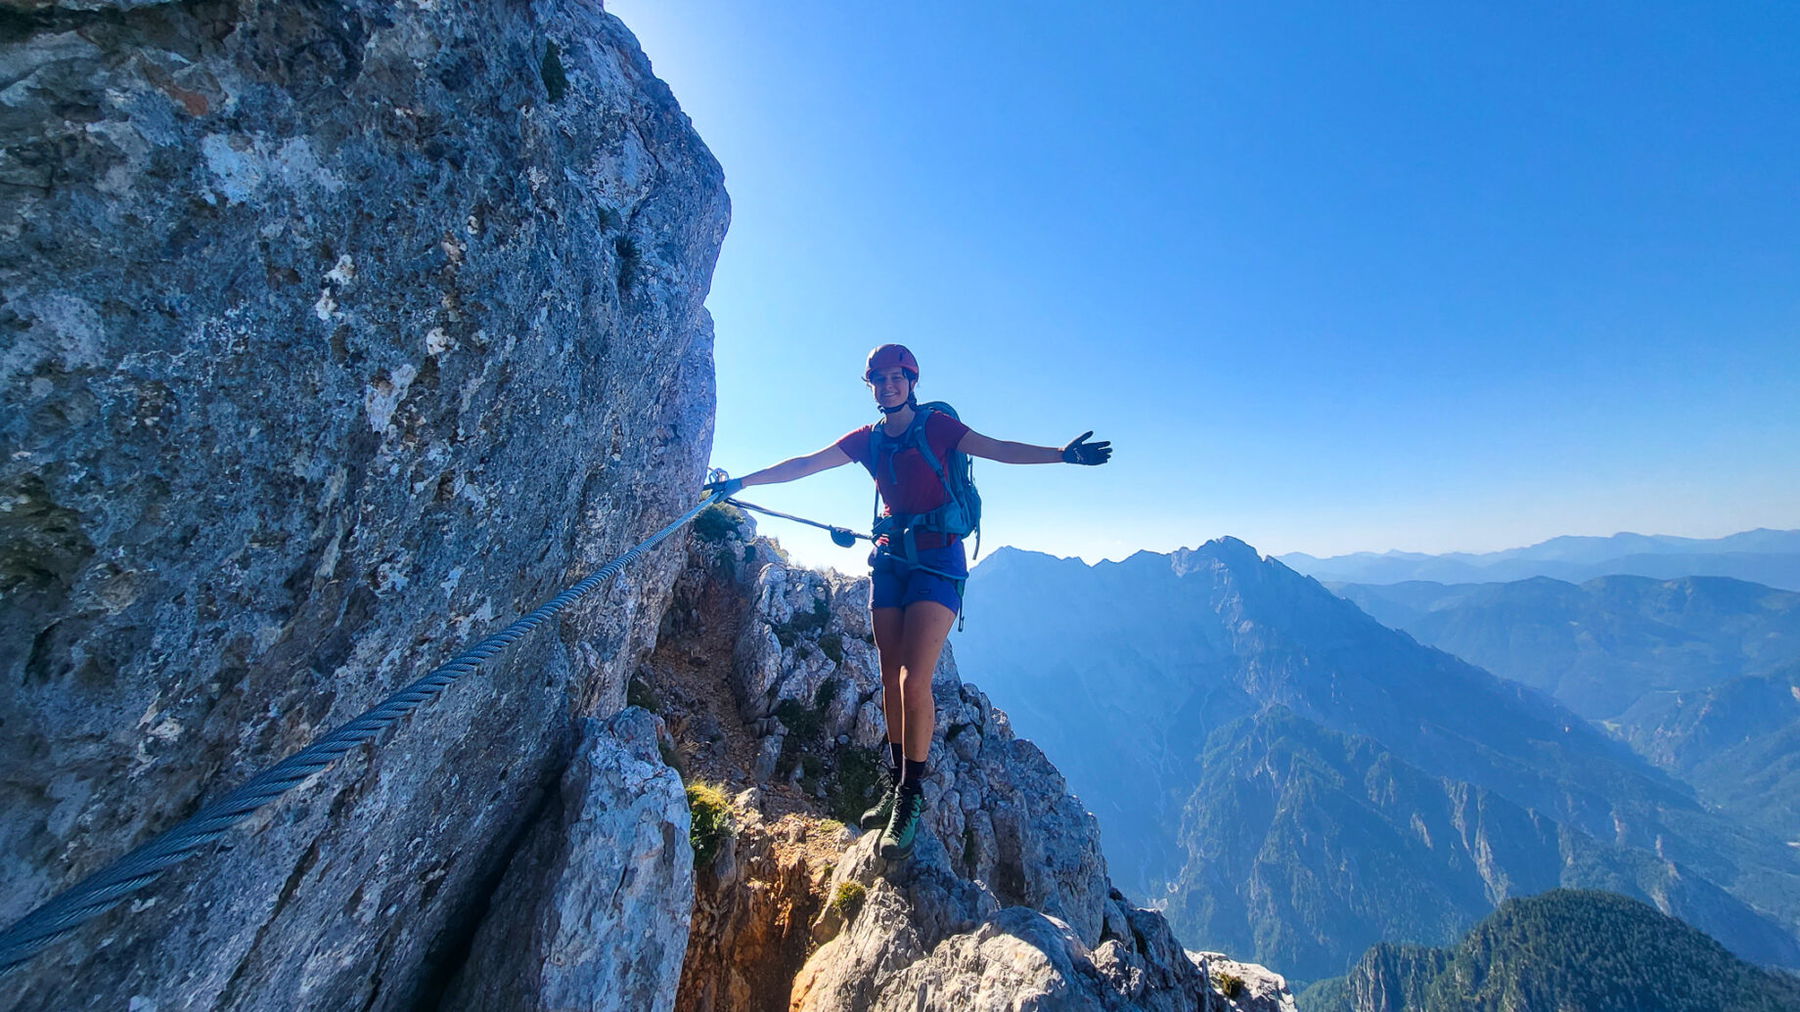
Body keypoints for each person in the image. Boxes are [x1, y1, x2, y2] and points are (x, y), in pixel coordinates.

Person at [703, 343, 1111, 861]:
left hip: (940, 563)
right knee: (889, 678)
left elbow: (998, 448)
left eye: (897, 377)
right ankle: (896, 786)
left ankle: (911, 798)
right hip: (892, 561)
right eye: (879, 378)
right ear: (870, 386)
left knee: (913, 680)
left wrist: (1062, 454)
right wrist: (741, 482)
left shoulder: (936, 429)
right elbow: (805, 464)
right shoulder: (868, 441)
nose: (888, 385)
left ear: (912, 381)